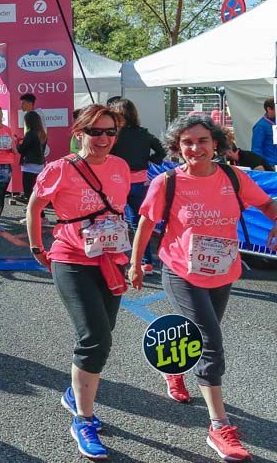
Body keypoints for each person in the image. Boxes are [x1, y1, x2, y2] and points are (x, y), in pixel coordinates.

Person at [129, 115, 277, 463]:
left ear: (215, 144)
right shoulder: (167, 182)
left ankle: (174, 368)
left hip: (223, 270)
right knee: (210, 341)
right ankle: (219, 425)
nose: (195, 148)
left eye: (202, 141)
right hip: (180, 270)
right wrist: (136, 263)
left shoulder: (233, 176)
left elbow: (267, 204)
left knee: (197, 332)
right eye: (187, 143)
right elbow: (147, 224)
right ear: (177, 149)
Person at [25, 104, 131, 460]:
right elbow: (34, 207)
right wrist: (37, 245)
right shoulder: (60, 169)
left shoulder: (120, 167)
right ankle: (83, 419)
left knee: (105, 331)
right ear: (79, 133)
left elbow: (118, 212)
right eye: (95, 132)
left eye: (110, 132)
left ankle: (74, 392)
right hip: (71, 258)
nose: (103, 139)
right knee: (94, 337)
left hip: (111, 259)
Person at [108, 98, 166, 273]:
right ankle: (145, 261)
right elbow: (162, 151)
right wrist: (147, 160)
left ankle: (114, 259)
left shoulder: (113, 135)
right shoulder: (144, 133)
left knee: (111, 222)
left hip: (116, 182)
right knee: (140, 223)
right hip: (139, 182)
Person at [17, 110, 48, 222]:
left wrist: (17, 142)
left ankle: (34, 218)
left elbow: (21, 149)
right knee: (37, 192)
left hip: (29, 165)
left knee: (29, 192)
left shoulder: (30, 134)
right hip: (39, 165)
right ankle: (42, 217)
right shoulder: (42, 133)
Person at [250, 97, 277, 166]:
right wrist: (261, 166)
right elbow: (256, 149)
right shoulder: (260, 126)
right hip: (270, 165)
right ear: (269, 109)